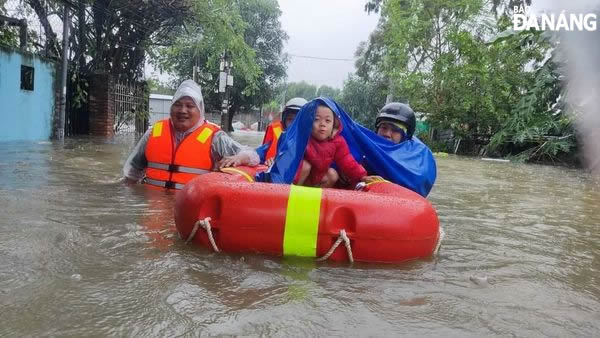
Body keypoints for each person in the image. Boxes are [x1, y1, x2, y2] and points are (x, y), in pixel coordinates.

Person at [122, 79, 259, 189]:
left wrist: (240, 158)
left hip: (189, 208)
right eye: (178, 105)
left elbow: (253, 155)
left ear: (200, 110)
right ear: (171, 107)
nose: (182, 110)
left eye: (189, 106)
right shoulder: (153, 132)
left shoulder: (215, 137)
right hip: (152, 208)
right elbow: (131, 174)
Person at [294, 104, 367, 188]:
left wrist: (362, 176)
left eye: (327, 120)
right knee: (305, 165)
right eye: (316, 119)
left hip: (316, 180)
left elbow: (347, 160)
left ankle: (315, 198)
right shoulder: (304, 137)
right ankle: (288, 194)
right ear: (309, 122)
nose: (322, 124)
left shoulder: (337, 141)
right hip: (298, 180)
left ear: (334, 125)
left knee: (333, 174)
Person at [260, 97, 308, 165]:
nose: (293, 124)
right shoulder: (276, 131)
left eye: (298, 120)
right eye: (290, 119)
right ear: (284, 120)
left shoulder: (313, 138)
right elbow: (259, 153)